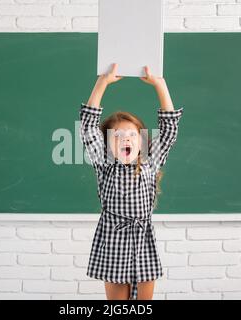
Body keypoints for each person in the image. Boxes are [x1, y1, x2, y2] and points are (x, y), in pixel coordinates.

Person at [79, 63, 185, 300]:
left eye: (131, 135)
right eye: (117, 136)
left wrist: (160, 84)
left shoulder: (150, 160)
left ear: (142, 141)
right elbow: (88, 128)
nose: (125, 139)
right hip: (114, 239)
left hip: (143, 239)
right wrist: (102, 83)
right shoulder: (104, 164)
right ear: (106, 145)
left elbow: (169, 130)